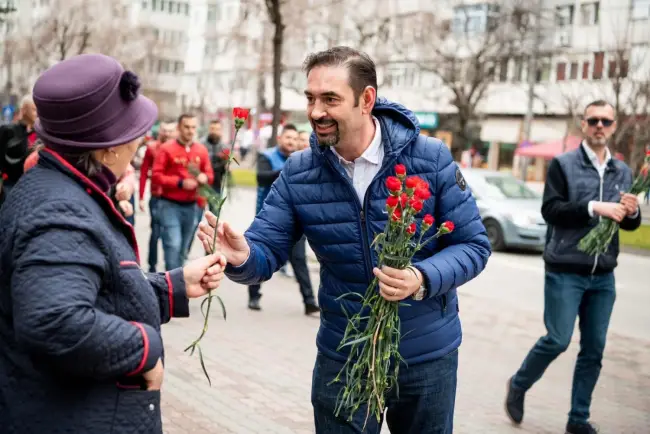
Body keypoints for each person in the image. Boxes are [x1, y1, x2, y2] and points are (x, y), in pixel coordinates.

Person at [198, 46, 490, 433]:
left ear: (366, 99)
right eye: (310, 98)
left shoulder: (430, 158)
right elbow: (266, 249)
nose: (316, 111)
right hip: (344, 355)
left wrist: (421, 279)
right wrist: (242, 256)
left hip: (425, 356)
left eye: (330, 99)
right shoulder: (300, 171)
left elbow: (473, 245)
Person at [0, 53, 227, 433]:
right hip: (74, 415)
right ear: (106, 148)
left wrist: (171, 287)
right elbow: (55, 322)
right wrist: (145, 349)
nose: (138, 146)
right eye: (133, 139)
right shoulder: (61, 211)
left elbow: (94, 287)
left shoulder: (59, 188)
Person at [505, 100, 642, 434]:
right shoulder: (562, 165)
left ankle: (577, 418)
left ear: (613, 126)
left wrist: (633, 212)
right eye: (593, 120)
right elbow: (551, 210)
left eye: (605, 121)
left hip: (603, 274)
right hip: (565, 267)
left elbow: (628, 225)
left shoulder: (622, 171)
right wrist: (596, 207)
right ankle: (519, 383)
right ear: (583, 124)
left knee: (594, 350)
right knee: (558, 339)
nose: (599, 125)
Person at [247, 123, 320, 315]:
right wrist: (287, 170)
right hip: (270, 218)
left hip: (297, 218)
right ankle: (254, 295)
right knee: (260, 255)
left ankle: (310, 301)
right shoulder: (268, 156)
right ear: (280, 138)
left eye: (295, 139)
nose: (291, 142)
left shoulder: (303, 160)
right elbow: (261, 177)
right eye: (288, 138)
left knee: (299, 259)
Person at [152, 114, 214, 270]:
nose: (190, 131)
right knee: (173, 244)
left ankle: (178, 283)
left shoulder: (201, 150)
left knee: (183, 248)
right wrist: (179, 183)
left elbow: (210, 175)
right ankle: (171, 284)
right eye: (186, 127)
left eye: (193, 127)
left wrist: (204, 177)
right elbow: (156, 176)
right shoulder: (166, 149)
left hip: (192, 206)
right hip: (169, 204)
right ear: (179, 128)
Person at [139, 121, 176, 272]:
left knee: (172, 235)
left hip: (174, 199)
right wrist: (141, 197)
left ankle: (172, 266)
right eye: (164, 130)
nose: (166, 133)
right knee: (155, 233)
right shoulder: (151, 148)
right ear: (159, 131)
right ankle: (152, 266)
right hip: (156, 197)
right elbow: (143, 172)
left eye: (169, 131)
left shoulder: (177, 149)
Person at [0, 94, 38, 207]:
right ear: (24, 110)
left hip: (33, 188)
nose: (38, 114)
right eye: (34, 109)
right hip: (10, 187)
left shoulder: (41, 134)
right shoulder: (8, 131)